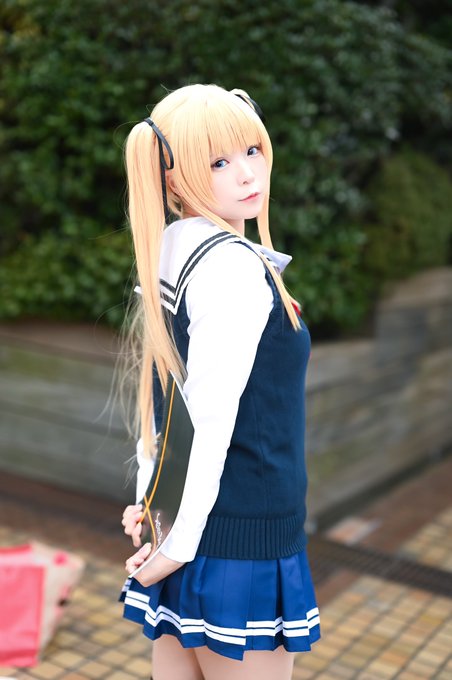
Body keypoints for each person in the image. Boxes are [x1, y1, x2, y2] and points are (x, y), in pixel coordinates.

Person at [119, 83, 320, 680]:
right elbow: (203, 416)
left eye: (252, 150)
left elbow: (164, 401)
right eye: (218, 162)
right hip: (239, 541)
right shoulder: (230, 266)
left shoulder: (175, 248)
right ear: (174, 180)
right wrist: (174, 539)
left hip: (193, 528)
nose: (247, 173)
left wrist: (154, 507)